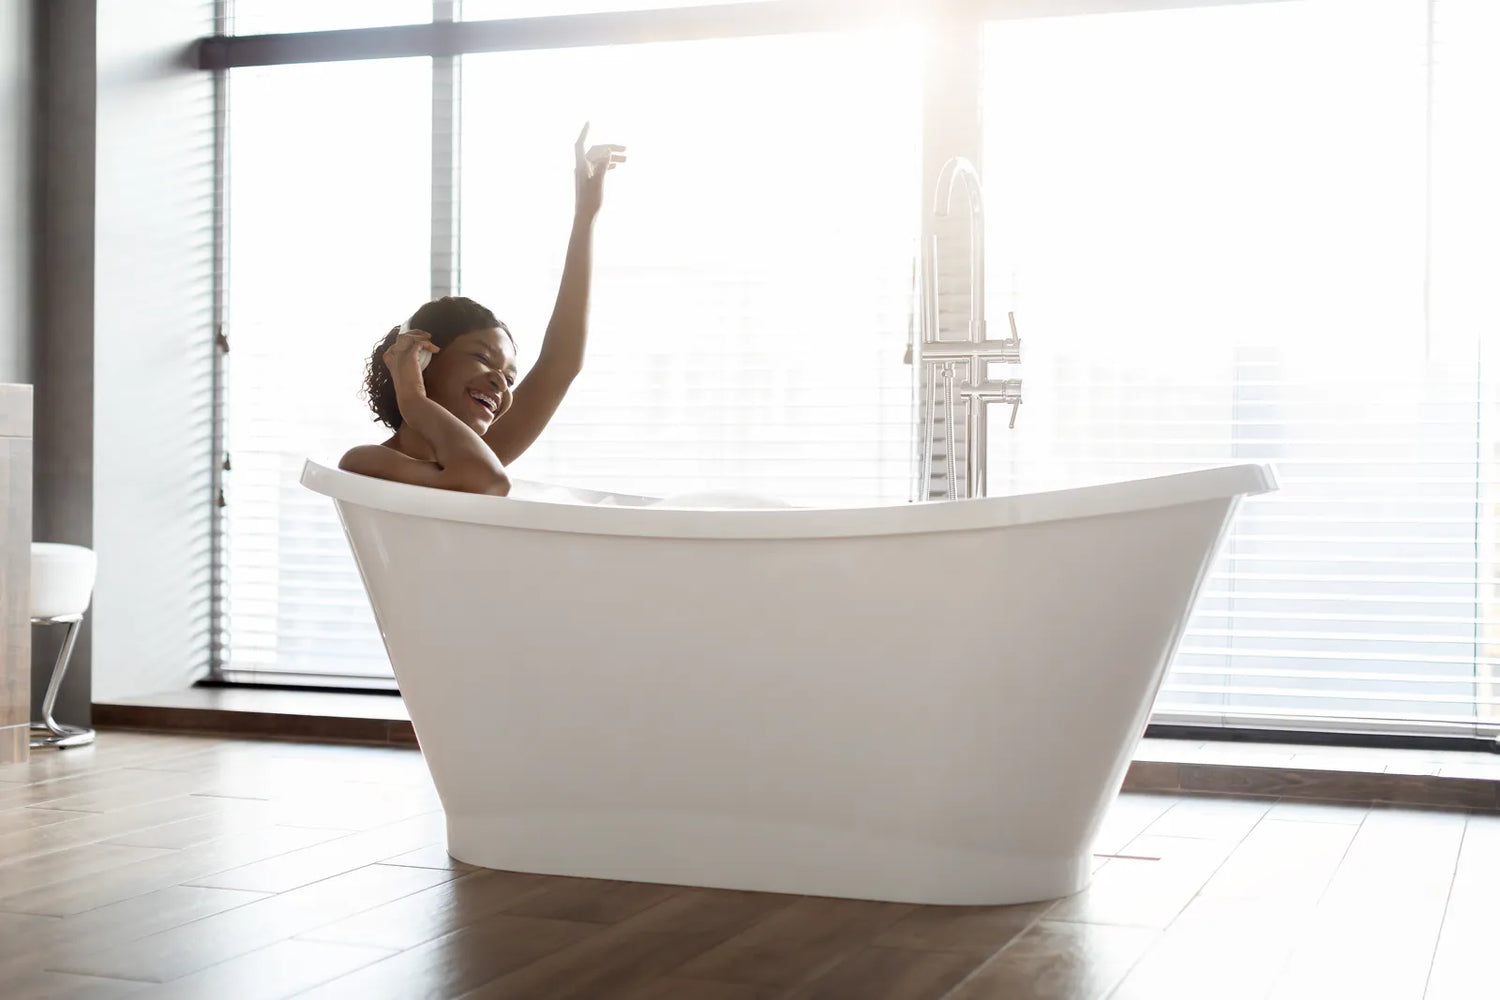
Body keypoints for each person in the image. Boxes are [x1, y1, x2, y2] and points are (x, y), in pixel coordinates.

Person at [340, 125, 625, 495]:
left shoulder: (478, 454)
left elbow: (562, 363)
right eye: (482, 357)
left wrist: (585, 217)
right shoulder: (364, 463)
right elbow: (487, 482)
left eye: (508, 379)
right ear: (423, 359)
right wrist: (411, 398)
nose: (500, 384)